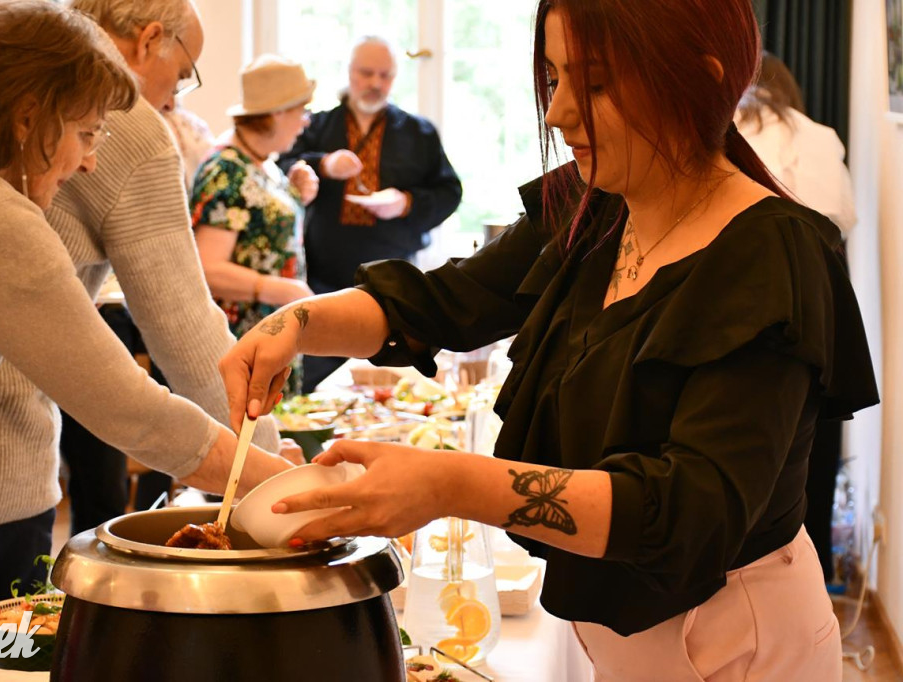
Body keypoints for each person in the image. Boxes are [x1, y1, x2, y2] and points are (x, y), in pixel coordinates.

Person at [223, 0, 879, 678]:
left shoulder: (769, 254)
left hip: (739, 646)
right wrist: (296, 324)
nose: (561, 112)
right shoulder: (595, 206)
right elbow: (444, 300)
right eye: (553, 80)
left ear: (700, 79)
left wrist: (451, 483)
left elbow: (689, 510)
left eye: (593, 83)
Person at [0, 2, 291, 678]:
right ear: (25, 118)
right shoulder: (0, 225)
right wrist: (302, 489)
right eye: (87, 132)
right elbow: (141, 413)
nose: (94, 161)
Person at [276, 35, 462, 391]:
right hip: (321, 280)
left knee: (386, 390)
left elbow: (449, 192)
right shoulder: (316, 125)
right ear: (349, 72)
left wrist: (406, 202)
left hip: (391, 285)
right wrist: (324, 164)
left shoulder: (418, 132)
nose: (376, 83)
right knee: (314, 387)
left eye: (385, 75)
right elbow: (282, 163)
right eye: (366, 73)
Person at [737, 52, 860, 585]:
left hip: (749, 292)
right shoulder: (820, 135)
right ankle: (814, 570)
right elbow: (840, 221)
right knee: (814, 435)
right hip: (822, 298)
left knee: (753, 437)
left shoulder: (729, 130)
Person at [190, 54, 319, 395]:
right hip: (243, 345)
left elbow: (260, 234)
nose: (305, 121)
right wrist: (282, 290)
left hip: (270, 338)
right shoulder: (226, 170)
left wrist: (294, 193)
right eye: (300, 111)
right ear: (277, 112)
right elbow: (209, 268)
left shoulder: (261, 164)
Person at [736, 52, 857, 235]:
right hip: (813, 252)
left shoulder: (730, 127)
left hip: (748, 242)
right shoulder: (822, 134)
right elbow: (846, 219)